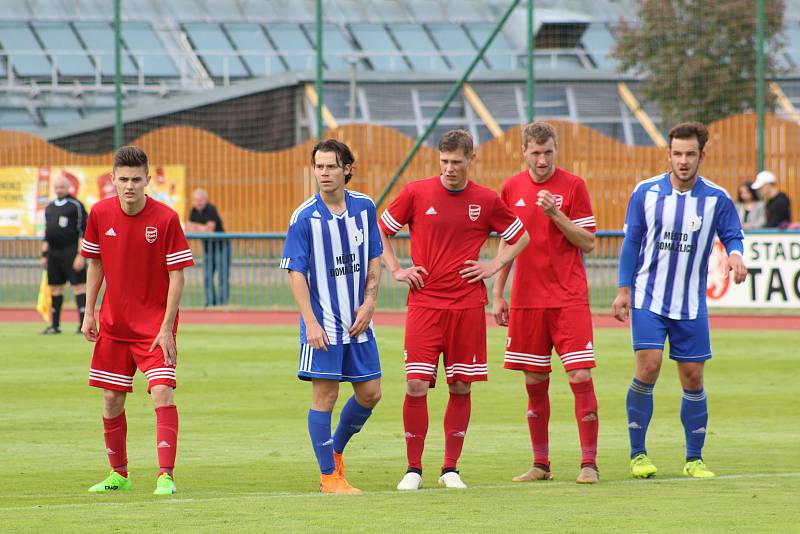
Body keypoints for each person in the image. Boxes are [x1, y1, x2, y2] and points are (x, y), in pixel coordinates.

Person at [379, 129, 530, 491]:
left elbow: (521, 235)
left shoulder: (487, 199)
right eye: (444, 161)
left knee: (461, 385)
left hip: (467, 307)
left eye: (456, 162)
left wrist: (493, 266)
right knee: (416, 385)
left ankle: (450, 468)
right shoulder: (416, 192)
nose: (448, 169)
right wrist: (397, 269)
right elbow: (380, 229)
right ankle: (412, 469)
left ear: (471, 159)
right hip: (424, 305)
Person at [612, 122, 747, 480]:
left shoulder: (716, 198)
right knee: (649, 366)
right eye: (677, 154)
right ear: (668, 155)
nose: (683, 161)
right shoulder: (646, 192)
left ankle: (694, 458)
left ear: (702, 155)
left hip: (690, 303)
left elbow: (732, 234)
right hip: (648, 297)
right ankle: (638, 454)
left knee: (693, 376)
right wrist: (624, 289)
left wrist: (735, 255)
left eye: (690, 154)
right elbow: (631, 243)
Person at [80, 146, 194, 495]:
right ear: (112, 180)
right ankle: (119, 474)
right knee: (111, 400)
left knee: (162, 392)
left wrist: (166, 328)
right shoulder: (99, 213)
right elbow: (95, 262)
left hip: (154, 329)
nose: (129, 185)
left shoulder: (166, 218)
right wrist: (89, 311)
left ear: (147, 180)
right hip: (114, 327)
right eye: (123, 179)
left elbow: (178, 276)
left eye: (136, 179)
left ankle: (165, 476)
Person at [493, 121, 600, 484]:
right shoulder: (511, 188)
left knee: (580, 375)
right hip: (526, 301)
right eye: (535, 153)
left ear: (557, 150)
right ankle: (541, 464)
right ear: (523, 151)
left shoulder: (573, 186)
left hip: (568, 298)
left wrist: (556, 214)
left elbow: (587, 242)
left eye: (548, 152)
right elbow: (507, 244)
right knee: (534, 382)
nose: (542, 160)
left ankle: (589, 463)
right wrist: (497, 292)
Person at [281, 139, 383, 494]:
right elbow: (295, 272)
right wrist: (309, 321)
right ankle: (329, 477)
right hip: (323, 323)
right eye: (319, 167)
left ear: (347, 169)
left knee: (371, 393)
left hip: (359, 323)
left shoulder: (364, 207)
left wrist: (370, 302)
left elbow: (374, 255)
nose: (323, 173)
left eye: (330, 166)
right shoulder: (304, 217)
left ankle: (336, 450)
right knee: (324, 398)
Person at [40, 176, 88, 334]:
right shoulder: (50, 207)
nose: (59, 190)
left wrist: (81, 255)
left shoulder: (76, 205)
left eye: (62, 187)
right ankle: (55, 325)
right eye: (57, 187)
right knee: (54, 288)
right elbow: (47, 233)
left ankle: (83, 324)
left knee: (79, 286)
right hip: (54, 253)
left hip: (71, 251)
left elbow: (83, 231)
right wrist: (44, 254)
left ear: (68, 188)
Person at [188, 189, 231, 306]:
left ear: (206, 200)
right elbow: (189, 228)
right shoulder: (193, 211)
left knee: (222, 277)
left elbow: (210, 229)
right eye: (196, 201)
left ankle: (223, 304)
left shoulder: (211, 209)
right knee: (207, 277)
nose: (198, 203)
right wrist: (202, 228)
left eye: (201, 200)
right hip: (208, 249)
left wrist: (197, 227)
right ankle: (210, 304)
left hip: (221, 247)